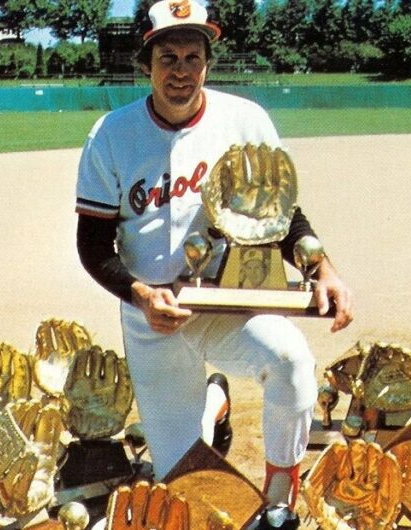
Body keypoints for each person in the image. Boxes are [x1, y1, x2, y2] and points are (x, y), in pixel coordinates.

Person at [73, 0, 353, 515]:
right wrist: (139, 293)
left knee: (291, 361)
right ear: (146, 64)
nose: (181, 71)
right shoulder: (111, 135)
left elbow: (279, 213)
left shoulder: (245, 120)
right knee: (187, 490)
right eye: (168, 58)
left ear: (208, 61)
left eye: (192, 57)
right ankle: (213, 405)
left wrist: (323, 269)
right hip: (151, 317)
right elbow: (92, 248)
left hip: (228, 307)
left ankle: (279, 503)